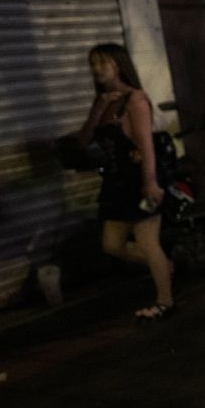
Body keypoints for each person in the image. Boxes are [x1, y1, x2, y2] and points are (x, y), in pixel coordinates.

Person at [77, 43, 174, 322]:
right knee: (111, 244)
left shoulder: (135, 99)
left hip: (140, 180)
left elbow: (146, 145)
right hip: (115, 184)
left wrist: (151, 182)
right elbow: (83, 142)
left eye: (102, 63)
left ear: (118, 64)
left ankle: (165, 302)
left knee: (146, 241)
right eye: (93, 63)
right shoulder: (104, 101)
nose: (97, 69)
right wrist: (100, 108)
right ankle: (165, 267)